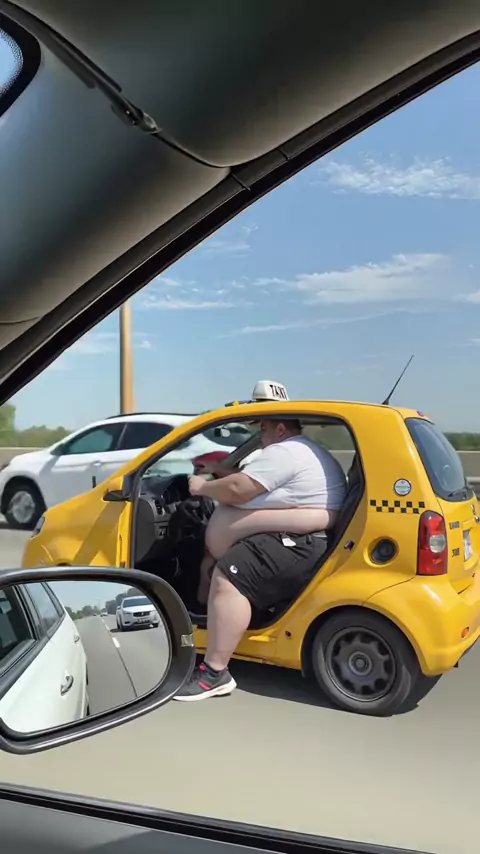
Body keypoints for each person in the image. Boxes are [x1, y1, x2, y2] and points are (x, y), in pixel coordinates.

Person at [173, 418, 347, 702]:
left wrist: (202, 487)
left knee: (229, 576)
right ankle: (222, 622)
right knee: (222, 568)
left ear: (280, 429)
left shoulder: (286, 451)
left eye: (263, 429)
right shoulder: (304, 451)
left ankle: (214, 674)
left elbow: (239, 488)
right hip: (304, 541)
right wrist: (219, 470)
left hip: (298, 544)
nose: (260, 436)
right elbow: (255, 483)